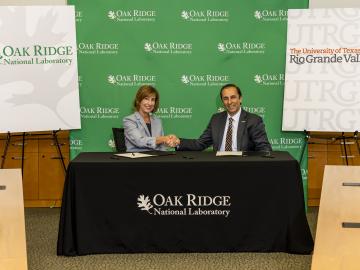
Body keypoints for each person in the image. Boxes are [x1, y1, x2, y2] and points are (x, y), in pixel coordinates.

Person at [172, 83, 272, 152]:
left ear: (240, 98)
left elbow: (264, 149)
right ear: (222, 101)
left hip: (243, 168)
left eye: (233, 97)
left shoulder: (253, 120)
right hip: (219, 166)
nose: (229, 102)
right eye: (225, 98)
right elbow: (200, 144)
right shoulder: (216, 119)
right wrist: (179, 142)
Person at [123, 85, 174, 152]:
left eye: (152, 100)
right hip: (137, 159)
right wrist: (163, 139)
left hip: (156, 158)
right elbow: (139, 141)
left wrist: (169, 142)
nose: (150, 103)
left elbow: (161, 146)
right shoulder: (129, 120)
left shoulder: (157, 120)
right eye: (146, 99)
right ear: (139, 100)